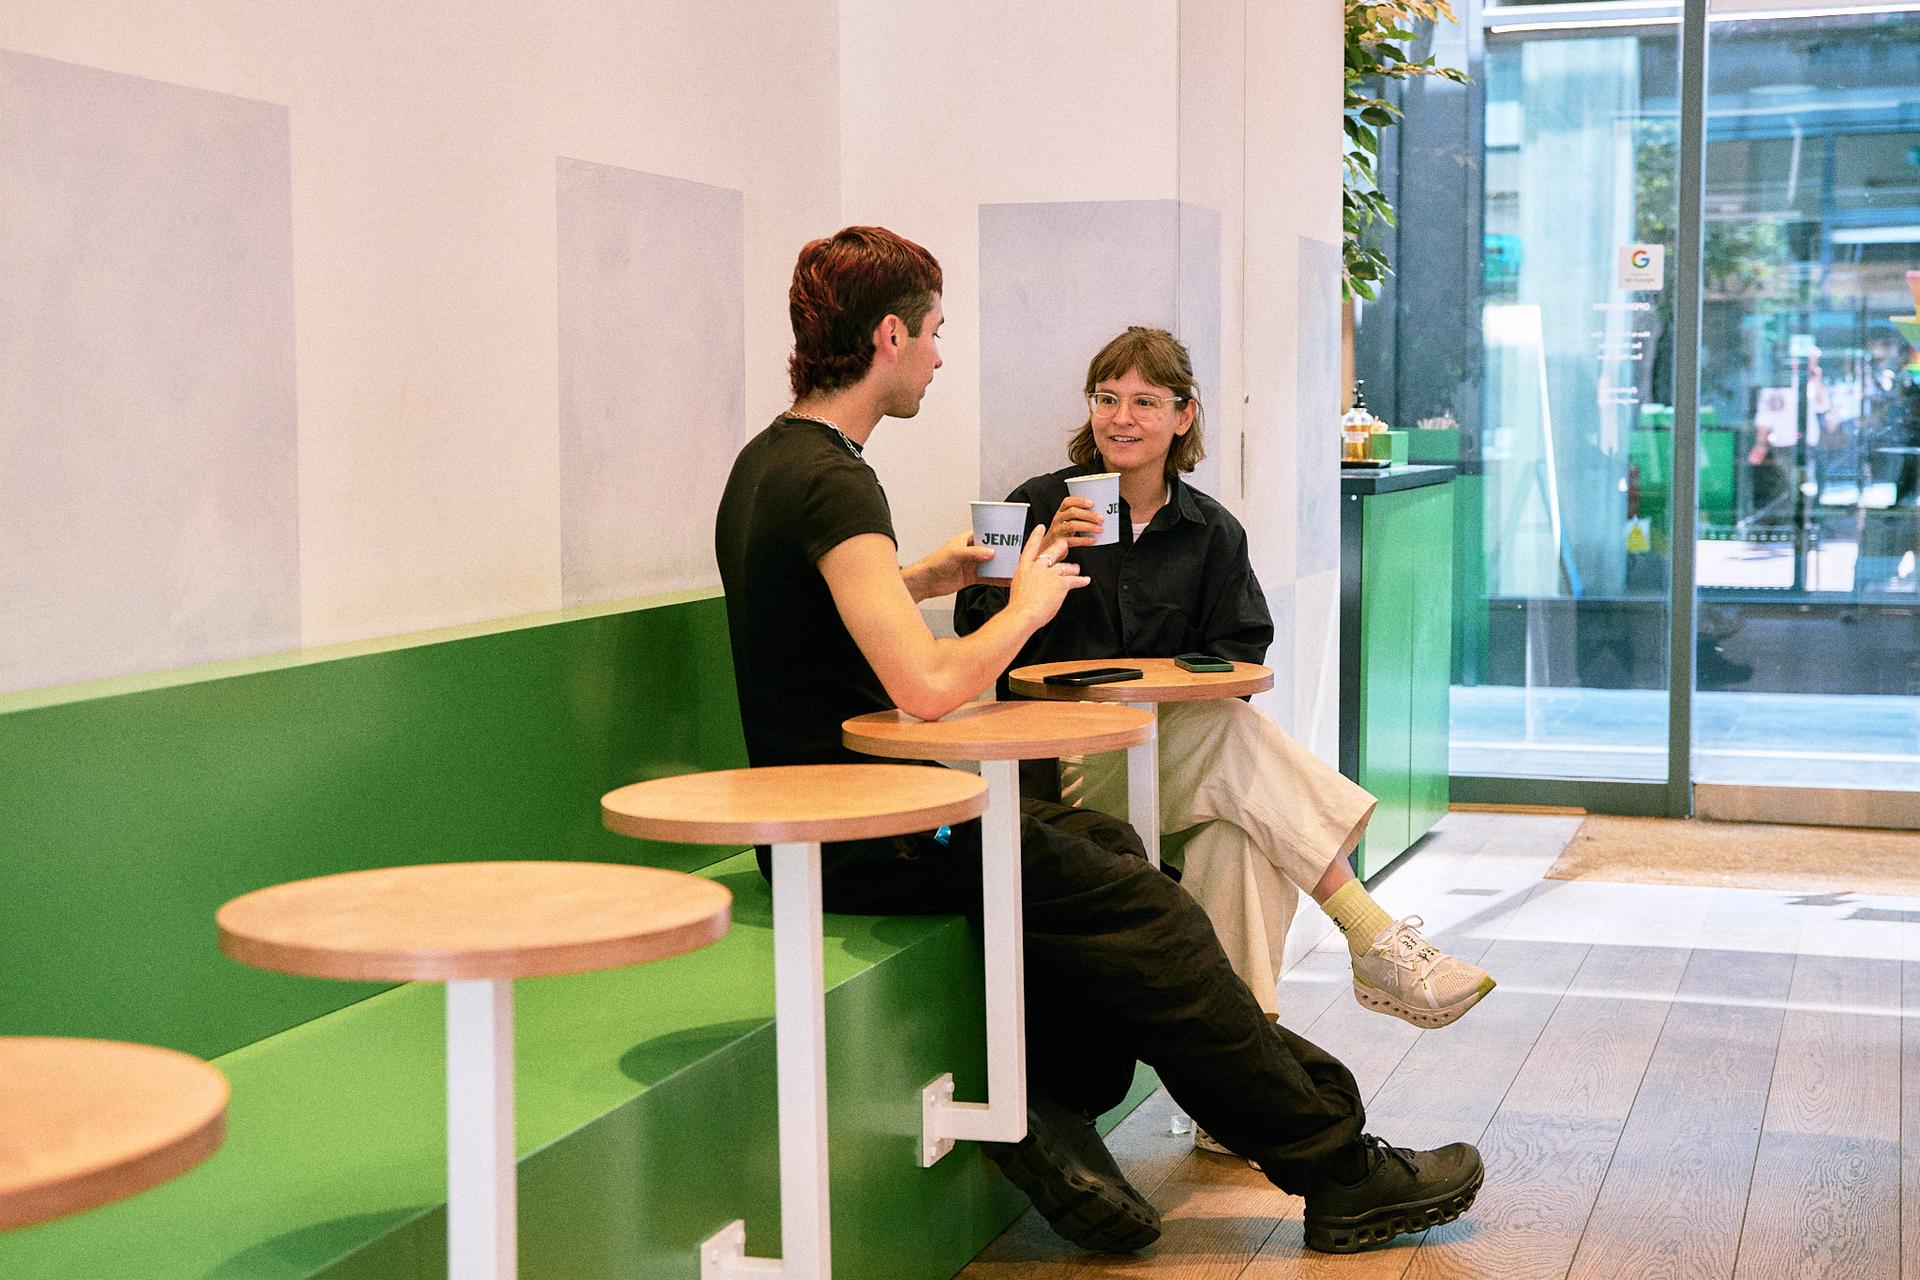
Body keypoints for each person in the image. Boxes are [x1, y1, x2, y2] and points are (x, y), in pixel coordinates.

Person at [715, 227, 1483, 1256]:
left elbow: (817, 613)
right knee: (1147, 908)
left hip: (853, 815)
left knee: (1111, 859)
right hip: (876, 828)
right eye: (936, 333)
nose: (941, 355)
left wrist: (931, 579)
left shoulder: (773, 462)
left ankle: (1060, 1108)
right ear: (888, 334)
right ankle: (1338, 1164)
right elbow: (929, 684)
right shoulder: (841, 482)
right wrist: (1026, 602)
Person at [954, 327, 1496, 1059]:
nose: (1122, 417)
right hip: (1066, 773)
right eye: (1108, 398)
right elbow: (979, 643)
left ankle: (1236, 1094)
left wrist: (1166, 693)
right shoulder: (1040, 508)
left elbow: (1240, 658)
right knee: (1230, 744)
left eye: (1145, 401)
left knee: (1238, 841)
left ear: (1184, 415)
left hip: (1174, 768)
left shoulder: (1211, 532)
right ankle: (1372, 936)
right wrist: (1043, 561)